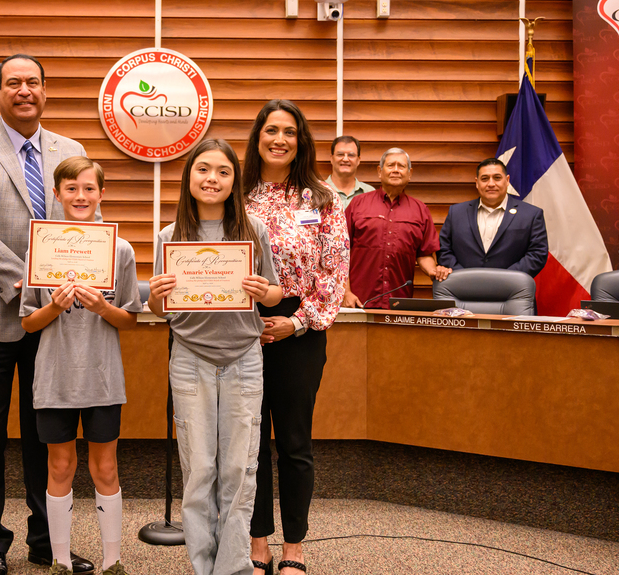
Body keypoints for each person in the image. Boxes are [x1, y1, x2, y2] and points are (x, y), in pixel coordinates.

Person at [0, 54, 95, 575]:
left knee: (46, 433)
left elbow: (79, 222)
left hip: (51, 320)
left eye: (33, 81)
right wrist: (30, 284)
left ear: (45, 91)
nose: (24, 90)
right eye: (13, 82)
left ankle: (45, 540)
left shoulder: (69, 150)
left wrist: (81, 271)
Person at [148, 138, 282, 575]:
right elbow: (158, 310)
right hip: (190, 360)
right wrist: (155, 296)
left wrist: (266, 292)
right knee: (200, 470)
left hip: (244, 359)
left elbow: (278, 292)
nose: (212, 179)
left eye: (223, 172)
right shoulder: (170, 237)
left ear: (234, 181)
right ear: (188, 177)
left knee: (240, 471)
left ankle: (234, 568)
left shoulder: (253, 231)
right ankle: (203, 568)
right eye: (203, 169)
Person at [242, 101, 349, 575]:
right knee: (250, 443)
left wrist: (296, 322)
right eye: (271, 130)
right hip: (243, 328)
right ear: (258, 137)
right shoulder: (237, 193)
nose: (279, 139)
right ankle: (258, 540)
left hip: (302, 329)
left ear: (301, 140)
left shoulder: (323, 199)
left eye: (289, 131)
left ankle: (294, 548)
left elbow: (333, 273)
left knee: (293, 441)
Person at [20, 157, 141, 575]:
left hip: (102, 377)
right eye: (71, 188)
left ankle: (112, 561)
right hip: (54, 378)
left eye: (89, 188)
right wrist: (53, 307)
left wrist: (103, 307)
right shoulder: (40, 248)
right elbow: (28, 322)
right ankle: (59, 561)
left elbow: (131, 319)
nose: (80, 196)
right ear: (56, 194)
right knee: (60, 465)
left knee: (105, 466)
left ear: (101, 194)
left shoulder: (120, 249)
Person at [342, 147, 448, 309]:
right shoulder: (358, 204)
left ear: (410, 173)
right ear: (380, 171)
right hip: (358, 300)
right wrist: (345, 292)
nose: (396, 170)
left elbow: (424, 254)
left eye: (401, 166)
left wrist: (434, 271)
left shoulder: (420, 210)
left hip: (399, 303)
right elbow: (340, 251)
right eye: (391, 165)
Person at [437, 158, 548, 278]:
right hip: (464, 290)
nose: (491, 184)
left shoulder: (531, 214)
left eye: (497, 178)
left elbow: (537, 254)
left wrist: (504, 278)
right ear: (477, 182)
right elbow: (443, 249)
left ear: (507, 180)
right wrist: (464, 276)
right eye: (484, 179)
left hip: (511, 290)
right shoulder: (456, 212)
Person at [324, 135, 374, 208]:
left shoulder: (370, 193)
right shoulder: (317, 192)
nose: (345, 159)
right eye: (340, 154)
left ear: (358, 160)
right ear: (331, 159)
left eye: (351, 155)